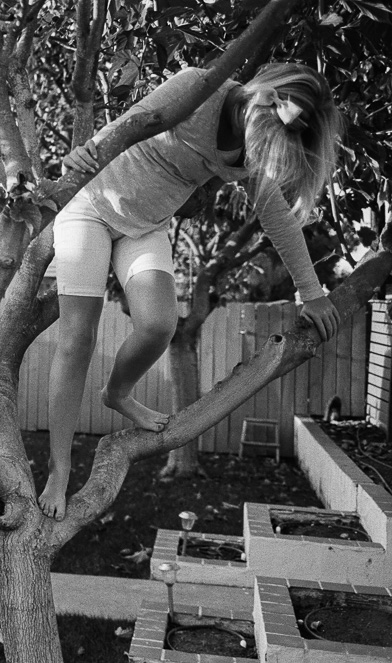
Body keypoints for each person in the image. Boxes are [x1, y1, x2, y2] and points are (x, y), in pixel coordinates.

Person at [39, 63, 343, 520]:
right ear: (267, 96)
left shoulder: (255, 145)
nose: (263, 151)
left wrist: (311, 291)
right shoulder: (199, 88)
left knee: (159, 325)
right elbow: (133, 122)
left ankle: (116, 393)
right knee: (78, 337)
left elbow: (276, 215)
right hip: (92, 206)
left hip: (146, 226)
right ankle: (58, 469)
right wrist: (88, 152)